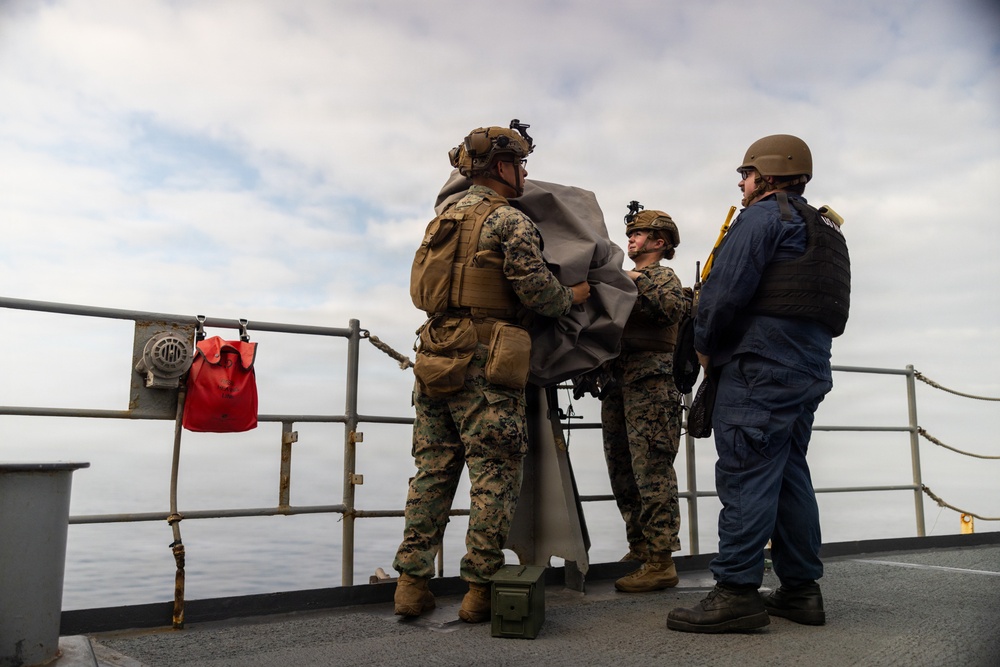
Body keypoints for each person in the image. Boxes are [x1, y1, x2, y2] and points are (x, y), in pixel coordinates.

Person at [393, 121, 591, 623]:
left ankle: (411, 585)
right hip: (486, 360)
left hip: (435, 354)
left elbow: (423, 291)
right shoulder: (510, 221)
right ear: (501, 167)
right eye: (520, 163)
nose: (524, 173)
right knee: (494, 475)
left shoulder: (442, 221)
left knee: (432, 472)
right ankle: (478, 591)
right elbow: (541, 297)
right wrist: (574, 295)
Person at [667, 134, 850, 633]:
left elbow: (723, 292)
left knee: (746, 472)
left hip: (759, 369)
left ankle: (736, 593)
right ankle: (800, 591)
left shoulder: (764, 218)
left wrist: (703, 346)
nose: (742, 184)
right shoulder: (824, 229)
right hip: (807, 369)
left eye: (746, 175)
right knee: (789, 475)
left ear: (766, 177)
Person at [599, 203, 688, 593]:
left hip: (651, 386)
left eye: (638, 233)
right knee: (622, 471)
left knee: (652, 470)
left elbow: (671, 308)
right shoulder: (621, 279)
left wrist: (631, 280)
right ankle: (639, 547)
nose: (630, 239)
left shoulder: (662, 276)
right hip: (618, 383)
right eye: (630, 233)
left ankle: (661, 559)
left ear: (659, 241)